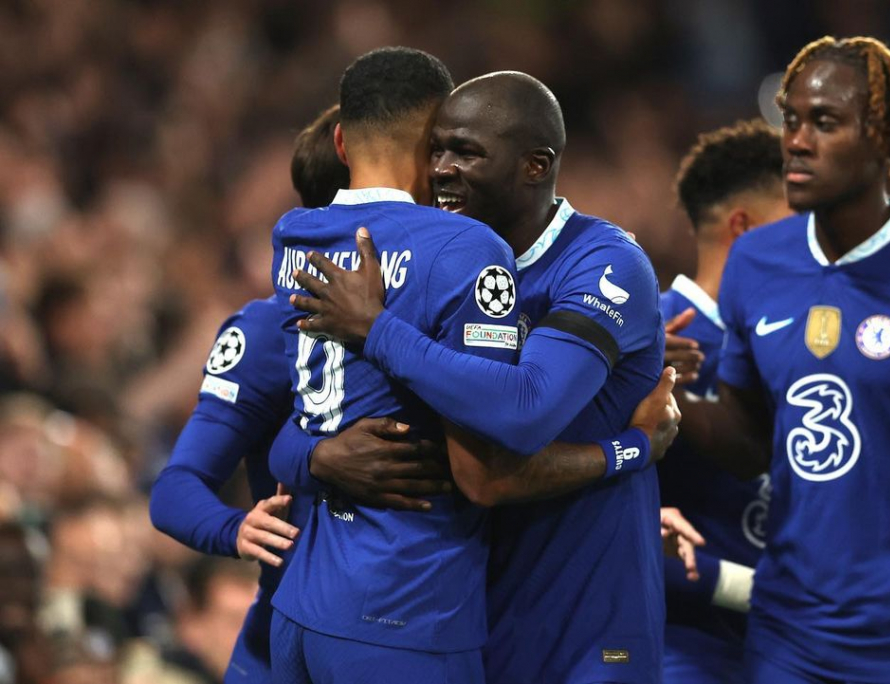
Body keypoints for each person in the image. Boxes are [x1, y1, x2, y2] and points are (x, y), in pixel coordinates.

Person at [287, 70, 671, 684]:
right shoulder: (440, 265)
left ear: (535, 166)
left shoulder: (603, 264)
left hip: (587, 625)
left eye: (466, 152)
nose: (441, 169)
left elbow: (515, 428)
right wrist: (318, 455)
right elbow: (302, 406)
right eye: (436, 149)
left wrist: (377, 330)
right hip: (471, 613)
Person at [674, 36, 890, 683]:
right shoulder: (756, 262)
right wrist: (667, 389)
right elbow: (747, 444)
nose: (796, 142)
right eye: (792, 120)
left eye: (824, 122)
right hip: (784, 638)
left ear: (883, 138)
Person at [148, 100, 448, 684]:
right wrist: (235, 528)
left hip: (418, 624)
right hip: (289, 641)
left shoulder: (442, 326)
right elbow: (175, 488)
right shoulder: (266, 331)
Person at [657, 119, 789, 684]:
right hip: (681, 653)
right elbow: (607, 528)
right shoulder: (645, 337)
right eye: (799, 225)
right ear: (745, 228)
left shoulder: (794, 344)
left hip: (783, 654)